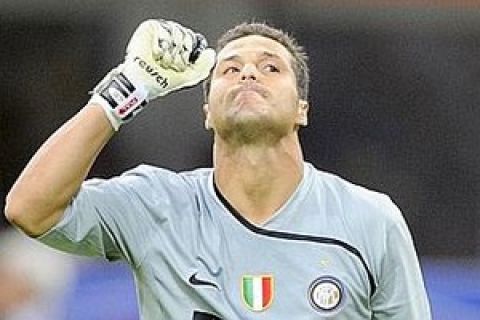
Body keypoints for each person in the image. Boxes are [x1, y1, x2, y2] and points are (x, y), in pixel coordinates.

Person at [4, 18, 431, 319]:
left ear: (302, 108)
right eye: (230, 68)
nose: (248, 73)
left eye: (270, 67)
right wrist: (126, 88)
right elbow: (29, 208)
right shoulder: (156, 203)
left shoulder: (371, 219)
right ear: (207, 111)